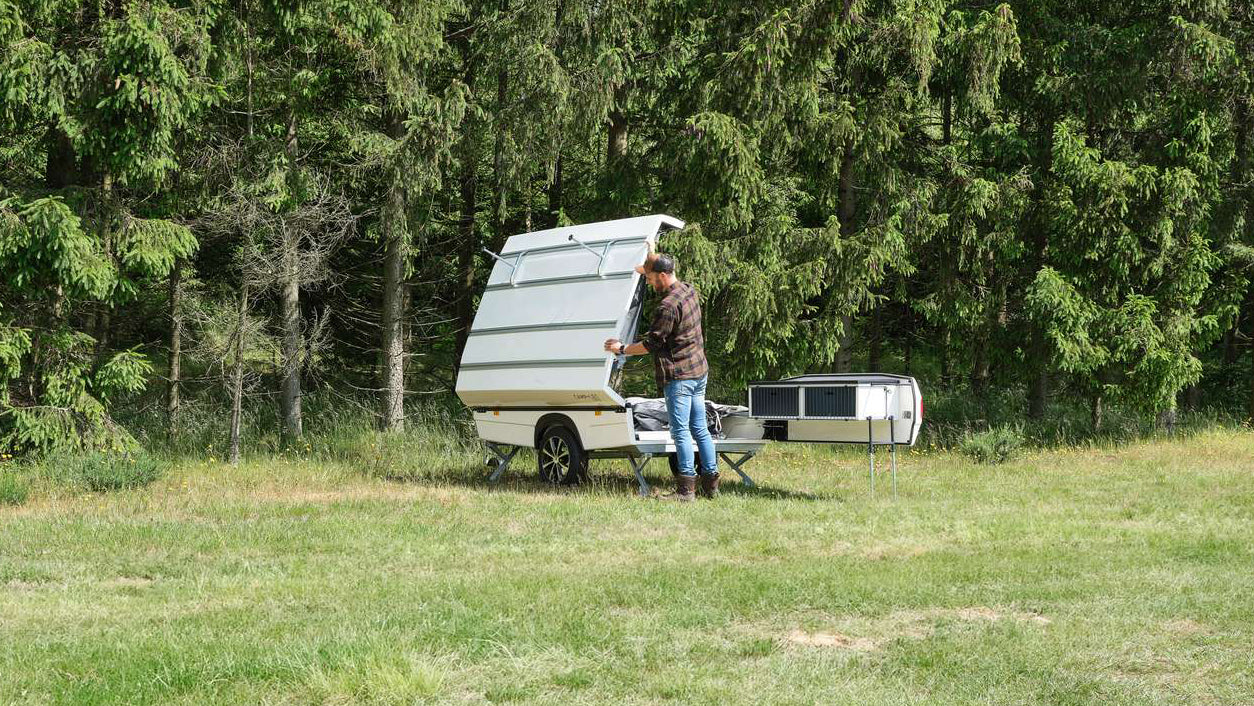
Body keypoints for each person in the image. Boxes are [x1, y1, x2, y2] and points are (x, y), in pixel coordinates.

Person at [604, 250, 718, 501]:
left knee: (680, 432)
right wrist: (650, 252)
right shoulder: (688, 289)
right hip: (699, 371)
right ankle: (710, 485)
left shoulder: (667, 306)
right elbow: (654, 265)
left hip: (680, 376)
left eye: (651, 278)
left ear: (664, 276)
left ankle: (686, 490)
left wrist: (621, 349)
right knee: (700, 429)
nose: (648, 281)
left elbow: (650, 345)